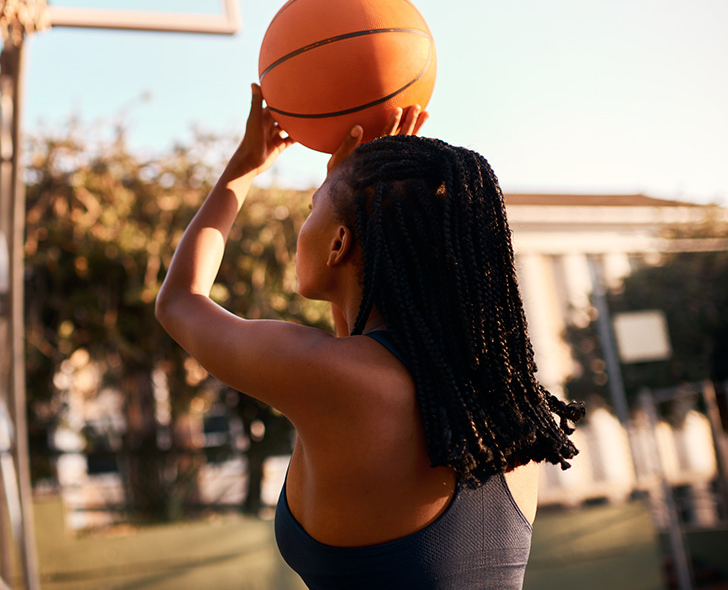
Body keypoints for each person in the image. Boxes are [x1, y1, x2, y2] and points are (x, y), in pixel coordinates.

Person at [155, 85, 584, 589]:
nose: (303, 222)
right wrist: (354, 190)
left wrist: (245, 166)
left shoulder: (336, 379)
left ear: (339, 243)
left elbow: (180, 301)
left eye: (313, 208)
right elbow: (358, 328)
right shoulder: (496, 401)